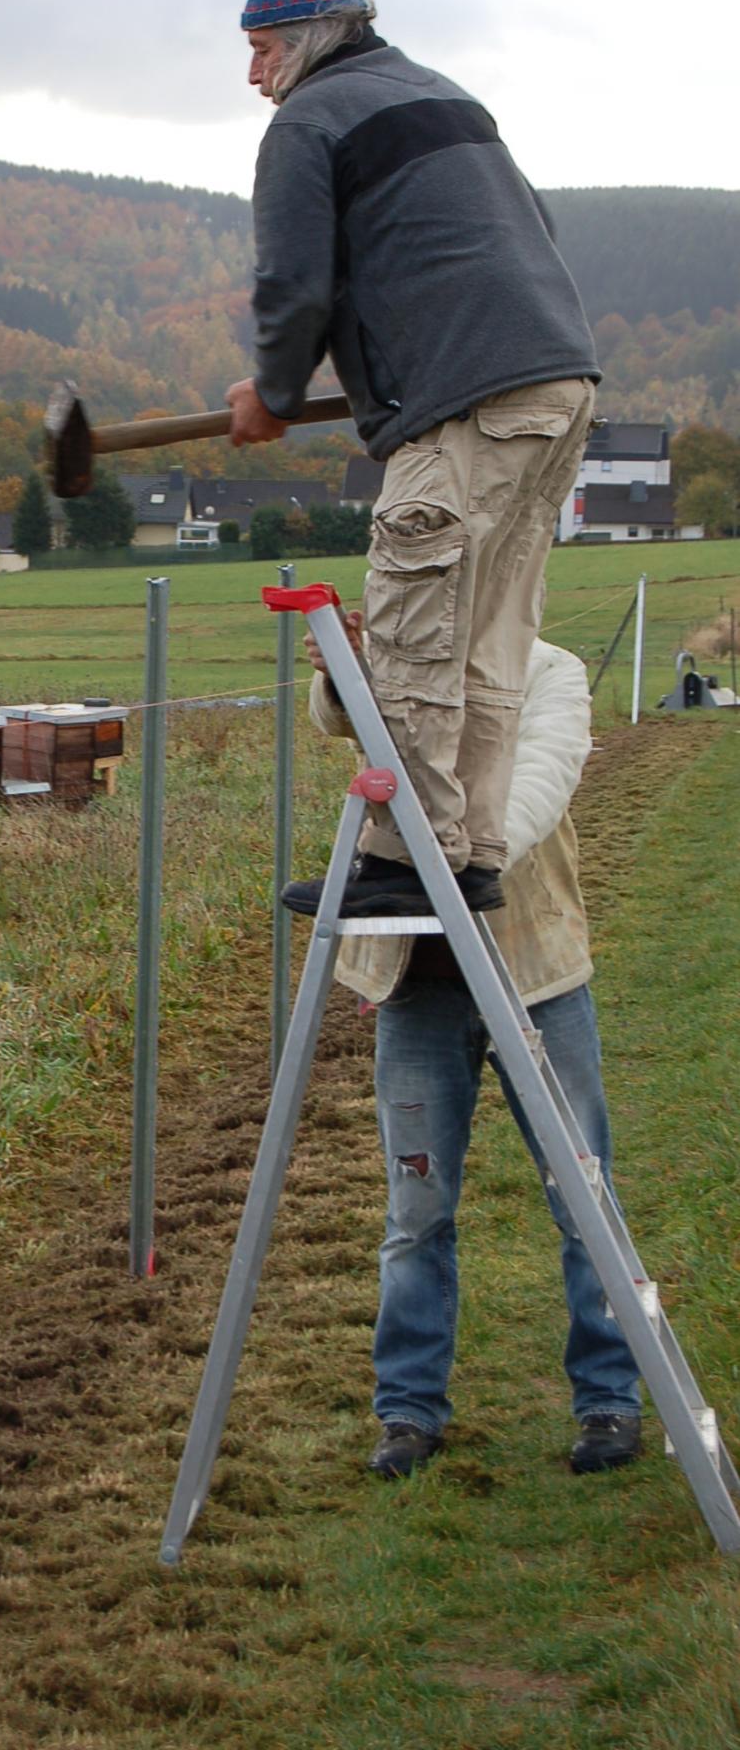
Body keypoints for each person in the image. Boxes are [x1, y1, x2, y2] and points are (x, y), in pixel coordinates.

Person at [226, 0, 600, 919]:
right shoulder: (444, 99)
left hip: (465, 404)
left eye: (261, 51)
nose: (255, 75)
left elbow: (295, 281)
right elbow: (531, 231)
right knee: (484, 633)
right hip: (556, 386)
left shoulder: (308, 122)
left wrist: (270, 391)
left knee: (414, 626)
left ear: (306, 40)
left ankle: (410, 858)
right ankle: (468, 850)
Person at [305, 609, 642, 1478]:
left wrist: (460, 860)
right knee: (416, 1213)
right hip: (417, 986)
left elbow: (542, 778)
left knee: (583, 1196)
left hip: (534, 978)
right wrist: (345, 663)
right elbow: (336, 716)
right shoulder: (407, 667)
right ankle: (408, 1412)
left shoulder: (552, 672)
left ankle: (610, 1399)